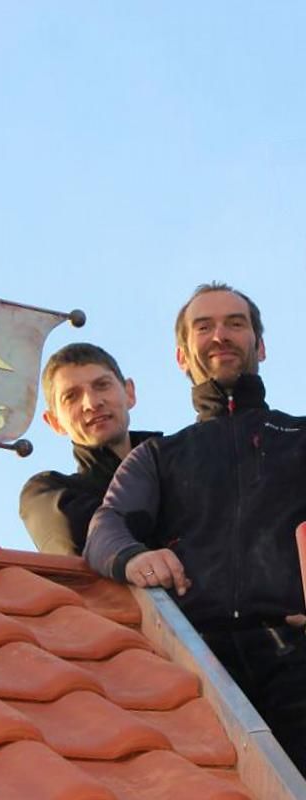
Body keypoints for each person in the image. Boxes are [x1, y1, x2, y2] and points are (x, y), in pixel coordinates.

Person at [85, 282, 306, 774]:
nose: (220, 336)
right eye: (203, 327)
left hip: (297, 661)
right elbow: (108, 526)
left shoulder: (300, 437)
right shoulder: (160, 457)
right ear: (183, 356)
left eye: (235, 323)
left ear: (261, 346)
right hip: (199, 669)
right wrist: (135, 557)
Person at [19, 343, 158, 555]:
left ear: (129, 393)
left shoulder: (181, 461)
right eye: (71, 396)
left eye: (102, 385)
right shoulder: (47, 495)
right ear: (54, 422)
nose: (92, 403)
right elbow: (87, 540)